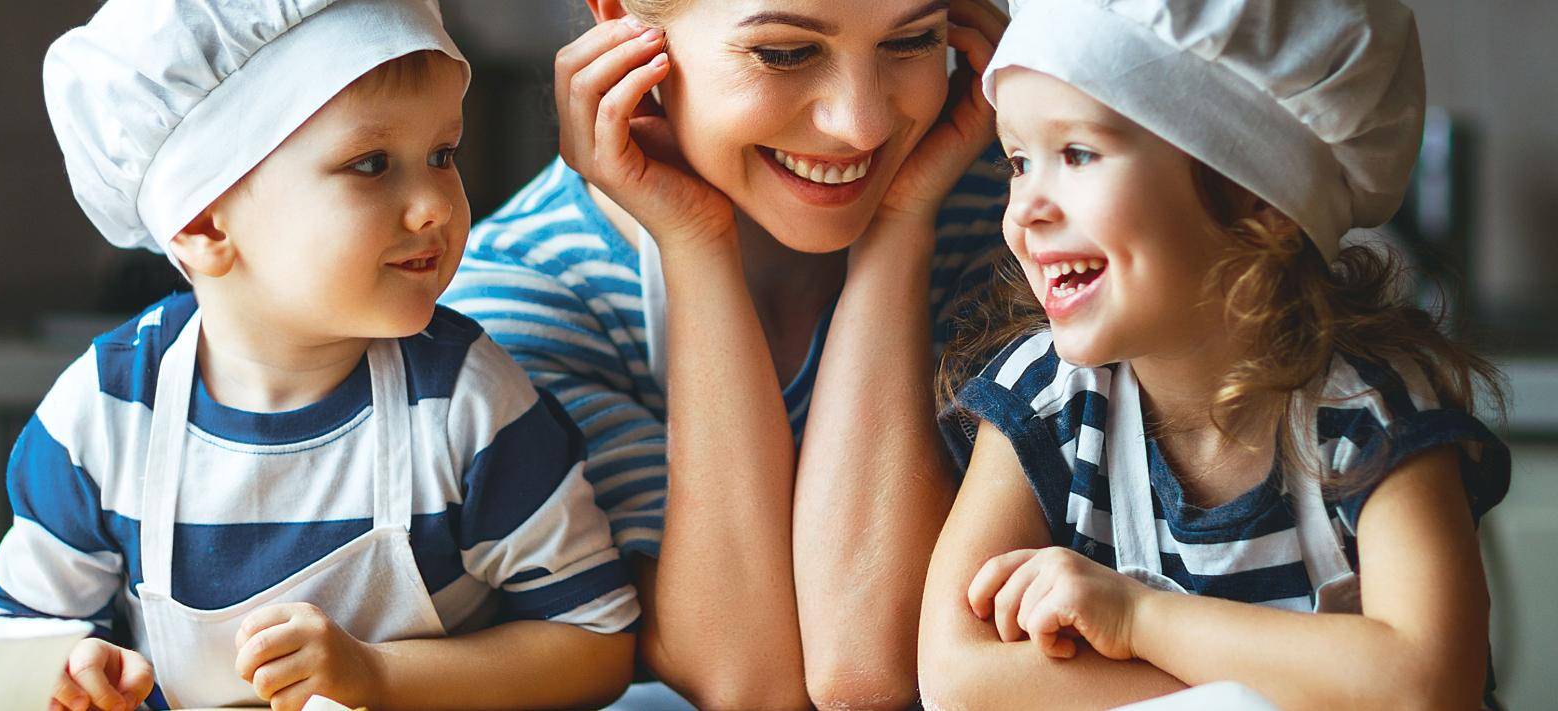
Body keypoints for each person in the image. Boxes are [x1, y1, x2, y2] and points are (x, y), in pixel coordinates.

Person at [0, 1, 638, 709]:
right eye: (371, 164)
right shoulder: (102, 419)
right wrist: (72, 675)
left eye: (441, 155)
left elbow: (596, 641)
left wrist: (379, 675)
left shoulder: (468, 403)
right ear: (203, 220)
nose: (435, 206)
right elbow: (24, 651)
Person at [918, 0, 1510, 707]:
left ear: (1255, 196)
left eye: (1077, 153)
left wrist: (1136, 616)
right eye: (1019, 160)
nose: (1025, 209)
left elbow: (1425, 680)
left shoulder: (1369, 412)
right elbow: (956, 673)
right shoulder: (1041, 399)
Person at [441, 1, 1011, 706]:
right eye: (783, 53)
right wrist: (695, 243)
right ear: (619, 17)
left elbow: (868, 664)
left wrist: (899, 231)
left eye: (913, 41)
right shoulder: (515, 306)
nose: (861, 123)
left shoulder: (1023, 217)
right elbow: (747, 682)